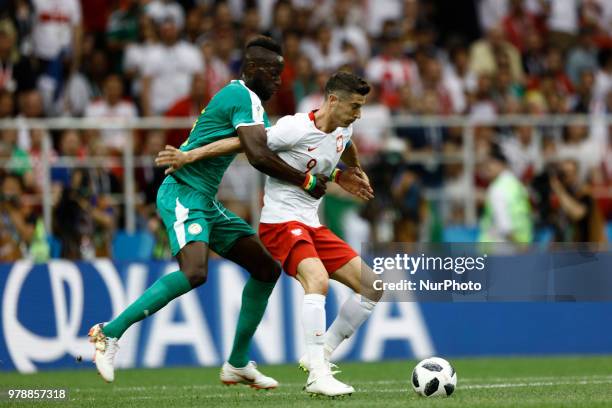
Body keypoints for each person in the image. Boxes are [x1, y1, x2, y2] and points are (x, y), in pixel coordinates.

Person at [89, 36, 331, 389]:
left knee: (266, 268)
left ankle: (236, 363)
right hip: (183, 193)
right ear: (254, 70)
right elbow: (258, 155)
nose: (280, 81)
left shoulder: (245, 100)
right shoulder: (241, 97)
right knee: (195, 271)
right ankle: (108, 333)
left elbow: (247, 147)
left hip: (206, 201)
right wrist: (305, 180)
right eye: (274, 73)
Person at [156, 72, 381, 397]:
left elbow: (346, 143)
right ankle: (318, 375)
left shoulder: (345, 125)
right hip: (280, 222)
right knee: (316, 279)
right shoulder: (295, 128)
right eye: (355, 107)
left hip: (311, 224)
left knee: (373, 287)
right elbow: (244, 143)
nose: (358, 115)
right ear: (333, 100)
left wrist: (353, 170)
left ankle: (320, 354)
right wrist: (191, 155)